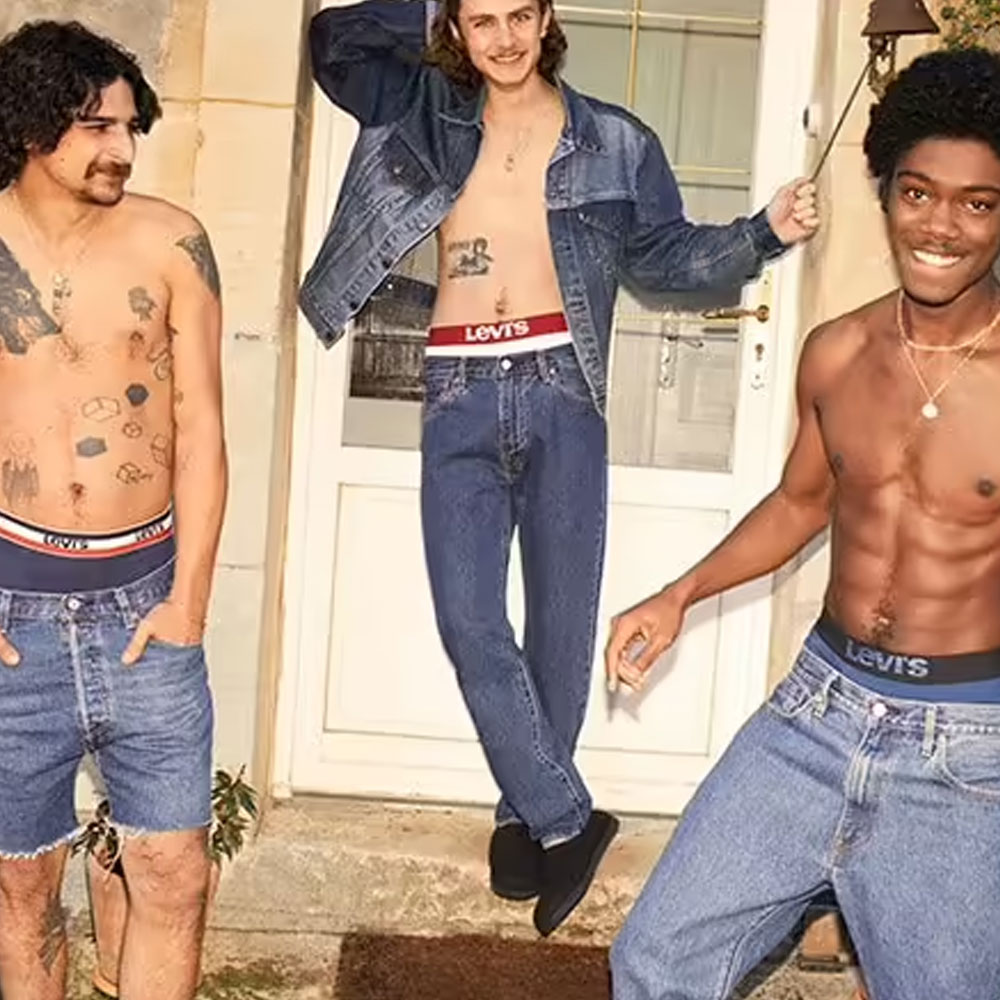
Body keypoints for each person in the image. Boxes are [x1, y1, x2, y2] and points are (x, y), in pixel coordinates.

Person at [300, 0, 818, 936]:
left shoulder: (616, 142)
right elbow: (333, 41)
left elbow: (667, 260)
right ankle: (567, 816)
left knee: (560, 624)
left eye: (518, 16)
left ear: (546, 20)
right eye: (481, 20)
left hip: (561, 387)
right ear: (457, 29)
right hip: (458, 387)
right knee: (468, 620)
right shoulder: (422, 108)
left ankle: (522, 814)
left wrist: (764, 232)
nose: (503, 39)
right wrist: (432, 12)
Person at [606, 46, 1000, 1000]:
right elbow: (801, 501)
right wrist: (679, 594)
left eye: (978, 204)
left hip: (967, 744)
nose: (939, 226)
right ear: (886, 193)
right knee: (656, 961)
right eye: (918, 193)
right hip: (817, 713)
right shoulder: (837, 352)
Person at [0, 21, 226, 1000]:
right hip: (12, 619)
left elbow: (202, 426)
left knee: (175, 874)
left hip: (144, 611)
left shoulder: (171, 241)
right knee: (20, 889)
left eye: (131, 127)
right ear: (31, 126)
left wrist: (189, 604)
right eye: (97, 126)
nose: (122, 148)